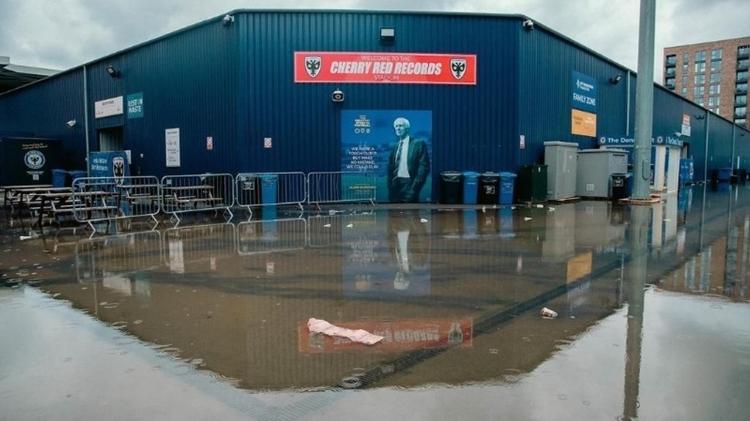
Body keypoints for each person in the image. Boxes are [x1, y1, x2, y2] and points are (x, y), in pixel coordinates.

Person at [387, 117, 431, 203]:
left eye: (400, 126)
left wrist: (414, 188)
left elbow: (423, 167)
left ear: (407, 128)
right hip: (395, 186)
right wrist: (390, 186)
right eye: (396, 126)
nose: (398, 128)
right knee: (394, 214)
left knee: (411, 213)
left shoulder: (418, 144)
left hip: (409, 185)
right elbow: (390, 168)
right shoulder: (395, 146)